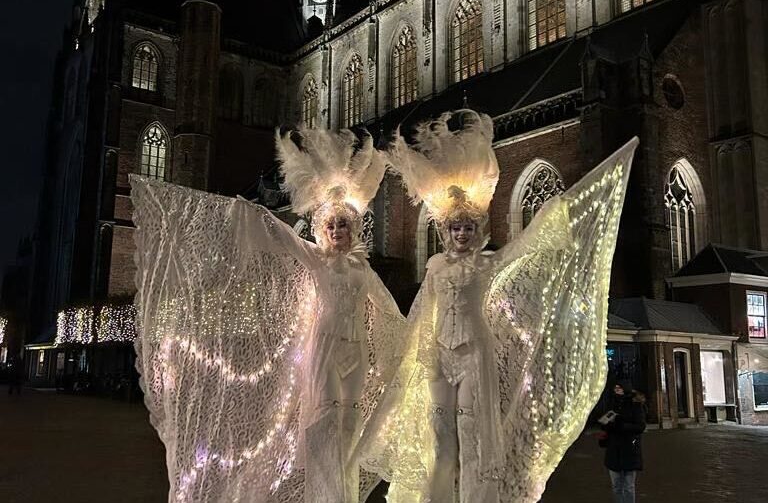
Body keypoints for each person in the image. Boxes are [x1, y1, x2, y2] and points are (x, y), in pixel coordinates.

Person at [357, 110, 638, 503]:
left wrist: (553, 215)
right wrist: (417, 359)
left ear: (477, 229)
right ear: (446, 230)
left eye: (468, 227)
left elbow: (524, 248)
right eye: (455, 227)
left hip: (475, 356)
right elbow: (423, 313)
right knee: (441, 437)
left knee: (473, 436)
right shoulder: (435, 266)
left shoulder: (489, 264)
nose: (461, 233)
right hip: (439, 355)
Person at [131, 128, 406, 502]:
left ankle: (344, 495)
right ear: (323, 230)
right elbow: (282, 237)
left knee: (350, 426)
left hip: (354, 352)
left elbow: (387, 305)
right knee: (325, 422)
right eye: (332, 225)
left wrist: (410, 337)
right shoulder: (316, 259)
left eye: (344, 224)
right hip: (324, 349)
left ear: (354, 227)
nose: (338, 230)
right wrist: (252, 213)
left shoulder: (363, 270)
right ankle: (325, 496)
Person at [600, 380, 646, 503]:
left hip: (629, 450)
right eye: (615, 389)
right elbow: (604, 424)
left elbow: (640, 426)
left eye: (619, 388)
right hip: (614, 450)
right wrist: (606, 424)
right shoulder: (611, 404)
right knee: (616, 486)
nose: (617, 391)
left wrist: (622, 426)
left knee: (629, 486)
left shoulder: (635, 405)